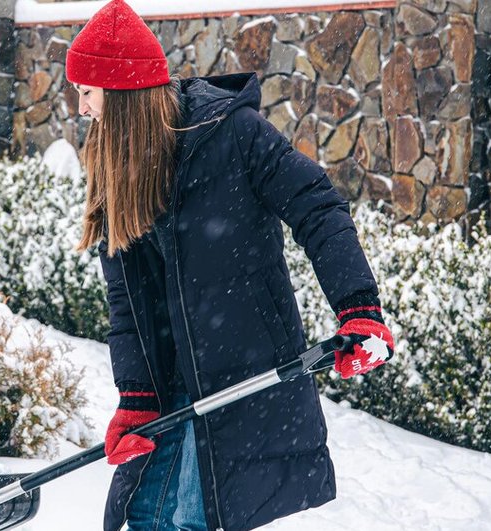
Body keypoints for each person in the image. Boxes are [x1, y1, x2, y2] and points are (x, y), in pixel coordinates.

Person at [65, 1, 396, 530]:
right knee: (145, 516)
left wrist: (358, 308)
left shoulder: (233, 134)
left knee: (185, 519)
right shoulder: (114, 160)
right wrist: (136, 396)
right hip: (172, 388)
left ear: (121, 93)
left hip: (242, 376)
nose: (81, 108)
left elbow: (317, 204)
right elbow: (127, 299)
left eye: (86, 92)